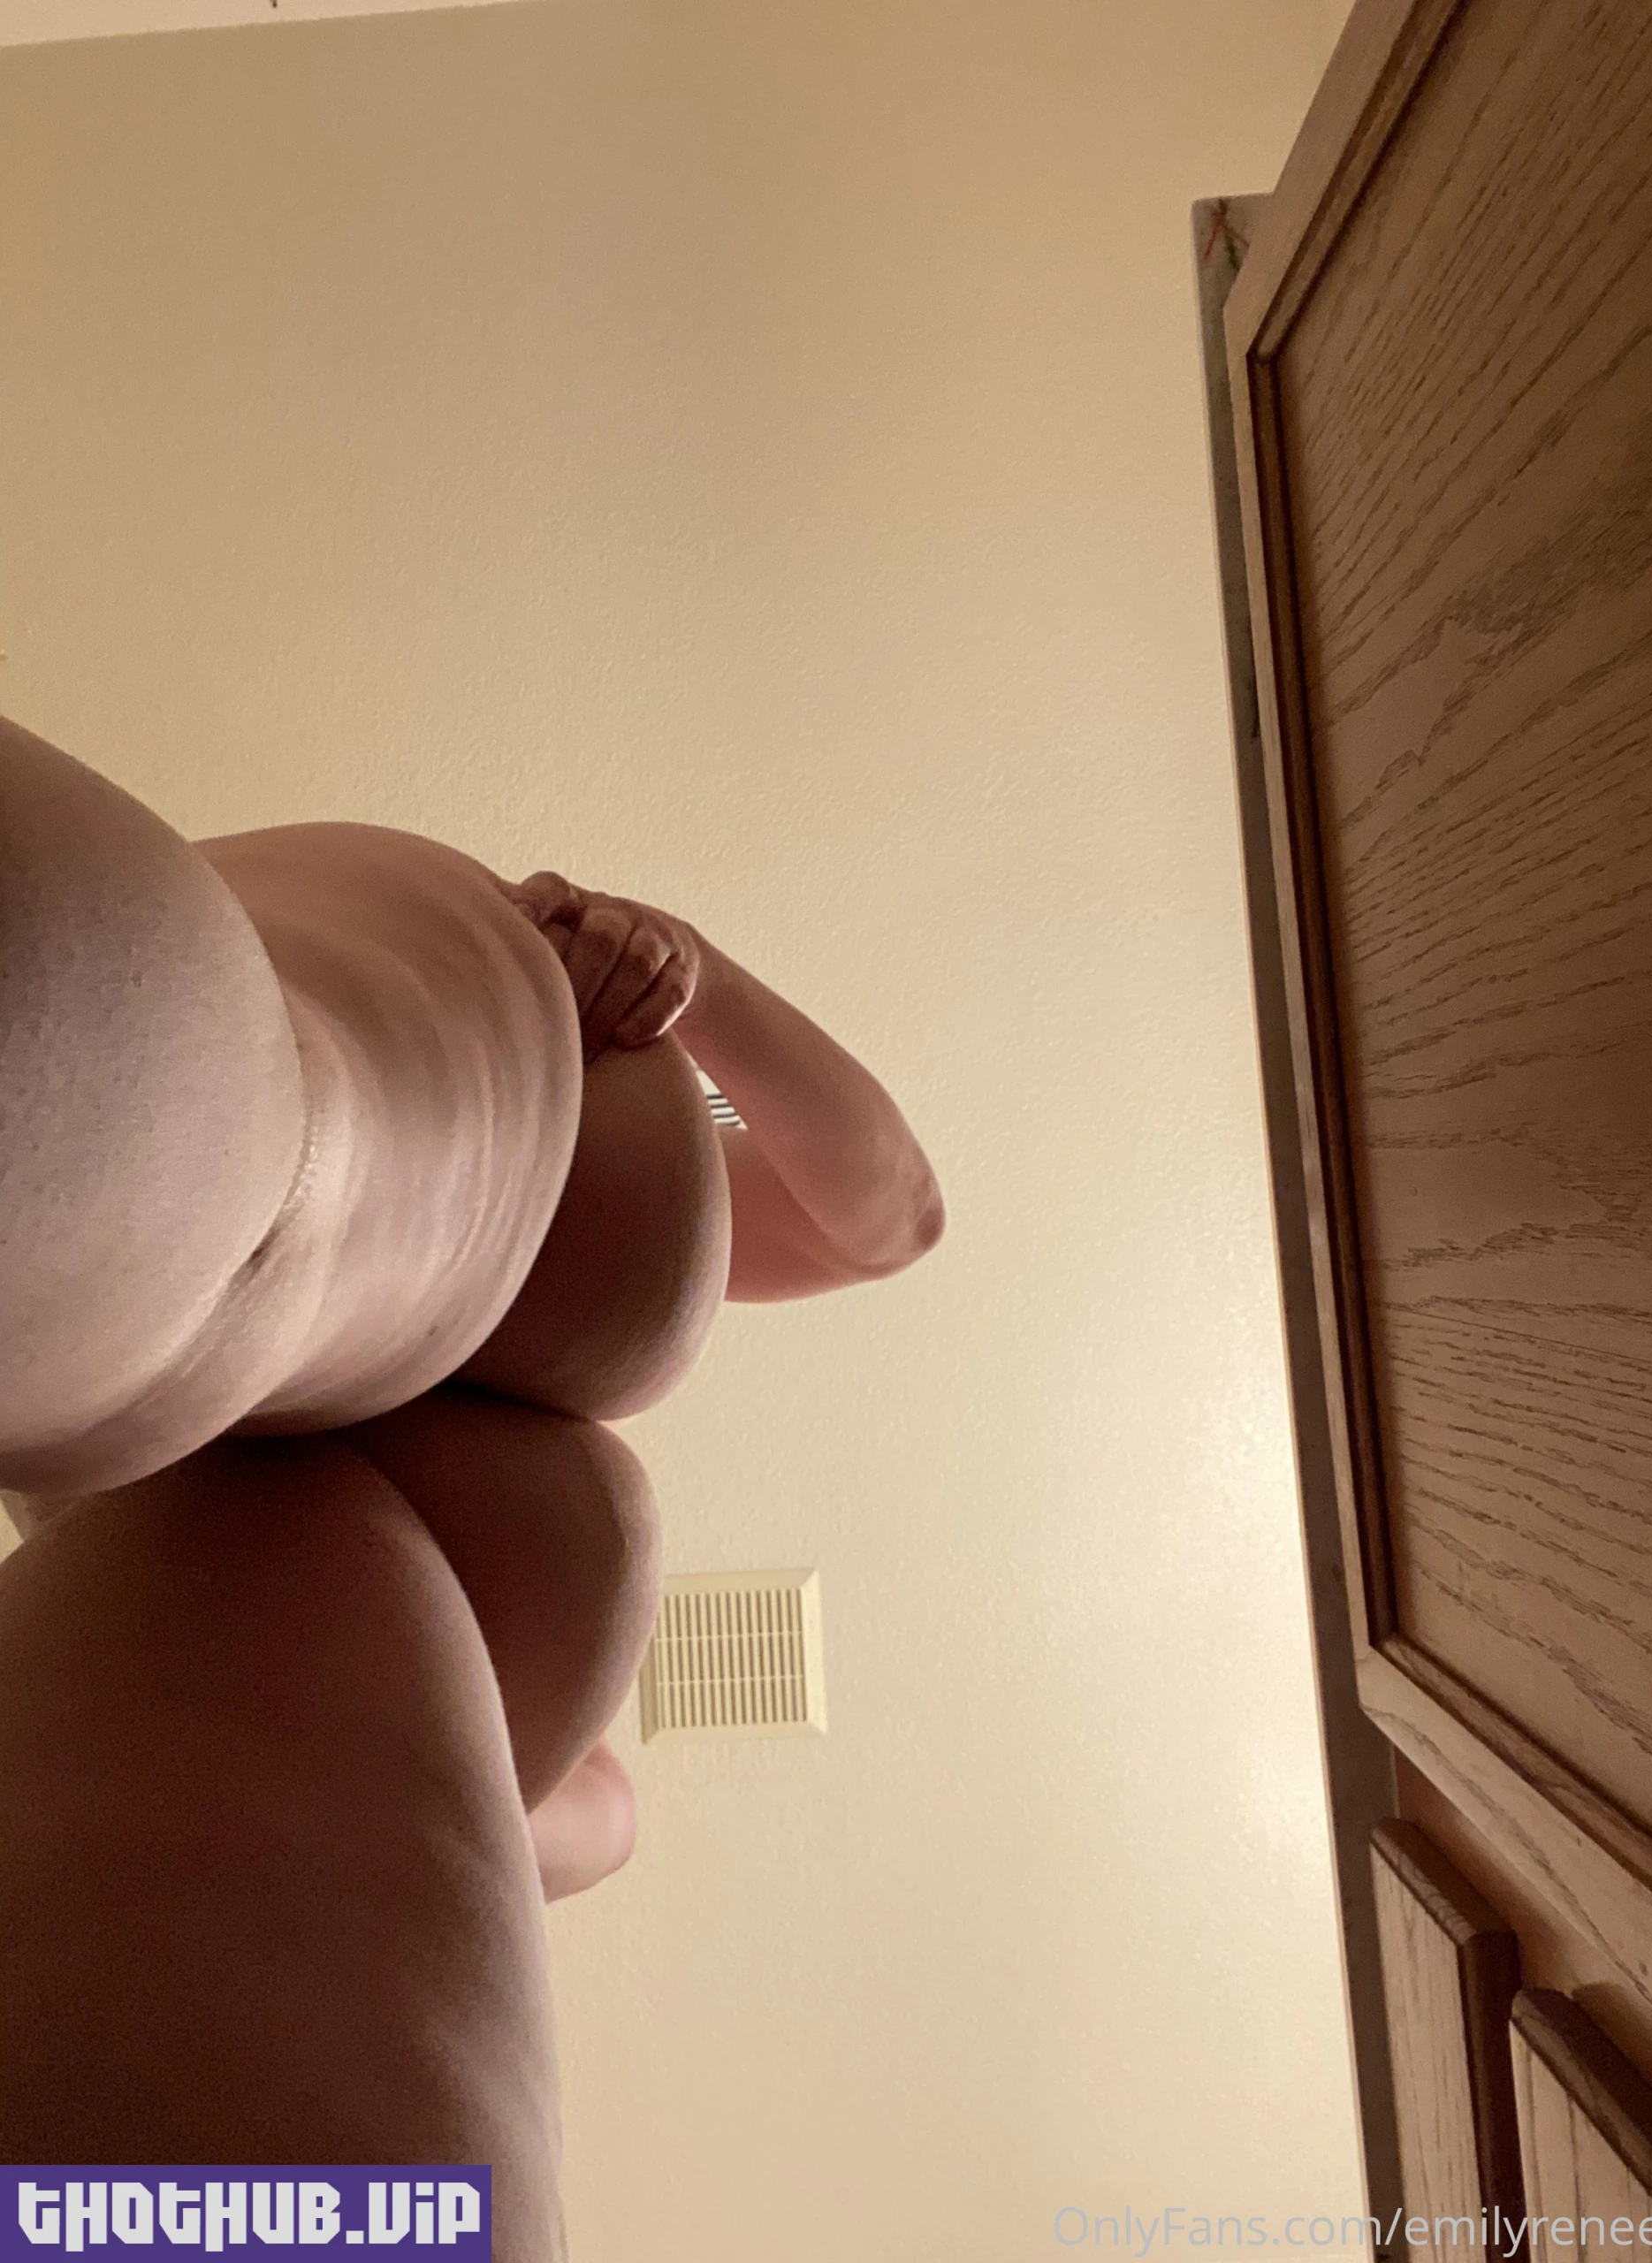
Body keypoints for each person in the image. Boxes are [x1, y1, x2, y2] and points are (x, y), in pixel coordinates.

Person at [0, 713, 944, 2252]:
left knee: (277, 1216)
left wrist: (517, 1829)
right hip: (349, 1190)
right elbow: (888, 1216)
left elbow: (574, 1821)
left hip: (204, 1517)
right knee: (288, 1198)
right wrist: (687, 975)